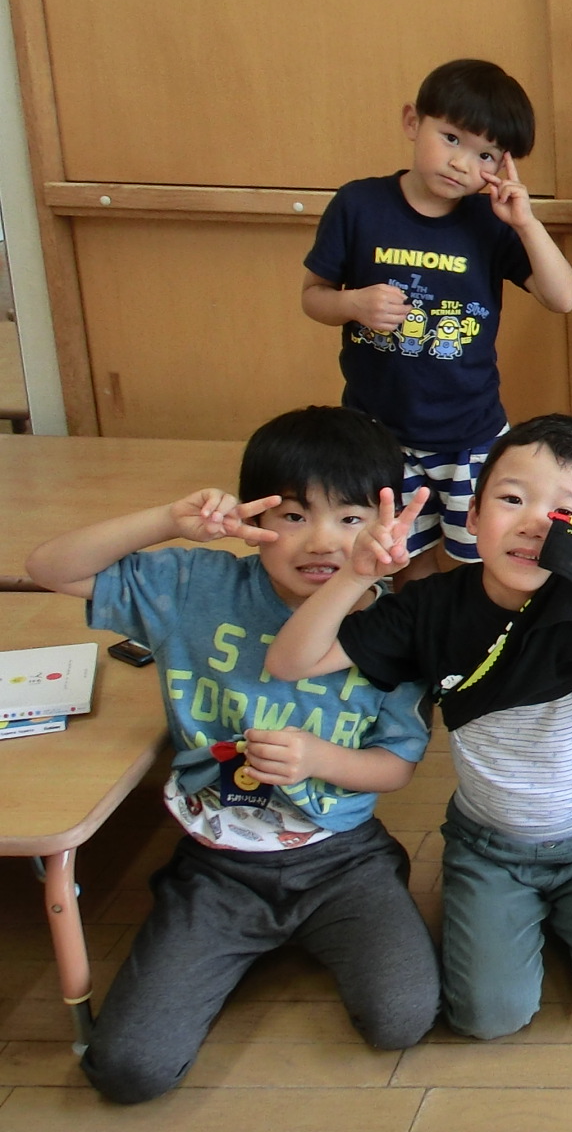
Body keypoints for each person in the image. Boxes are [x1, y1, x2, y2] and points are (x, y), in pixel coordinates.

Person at [24, 407, 438, 1102]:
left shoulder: (396, 626)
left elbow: (396, 765)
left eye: (350, 518)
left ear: (386, 524)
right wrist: (167, 520)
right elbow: (47, 568)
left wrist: (318, 759)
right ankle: (223, 934)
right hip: (217, 864)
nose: (322, 541)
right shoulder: (197, 587)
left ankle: (344, 909)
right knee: (128, 1070)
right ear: (255, 518)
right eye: (294, 516)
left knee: (402, 1017)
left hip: (342, 857)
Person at [264, 414, 572, 1038]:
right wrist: (357, 576)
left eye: (562, 513)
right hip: (490, 849)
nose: (533, 522)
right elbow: (291, 661)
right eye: (512, 499)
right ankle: (532, 916)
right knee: (488, 1016)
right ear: (474, 515)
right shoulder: (428, 608)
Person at [301, 59, 572, 579]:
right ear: (413, 122)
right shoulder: (359, 204)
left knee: (469, 558)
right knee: (392, 559)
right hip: (377, 434)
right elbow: (313, 296)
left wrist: (525, 222)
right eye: (451, 138)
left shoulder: (491, 221)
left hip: (469, 434)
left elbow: (563, 298)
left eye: (485, 155)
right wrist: (353, 304)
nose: (460, 163)